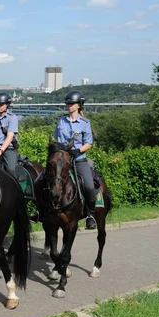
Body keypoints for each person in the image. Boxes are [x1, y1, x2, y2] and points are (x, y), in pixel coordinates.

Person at [54, 90, 97, 229]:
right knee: (44, 179)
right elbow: (57, 139)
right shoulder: (61, 120)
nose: (69, 106)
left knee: (89, 186)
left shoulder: (84, 123)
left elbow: (89, 143)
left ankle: (90, 215)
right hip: (62, 160)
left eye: (72, 103)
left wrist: (77, 150)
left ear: (79, 105)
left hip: (78, 160)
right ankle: (42, 211)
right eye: (67, 103)